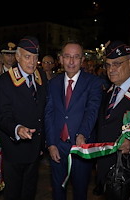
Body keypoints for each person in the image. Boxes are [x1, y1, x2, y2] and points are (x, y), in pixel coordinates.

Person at [45, 40, 103, 200]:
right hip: (58, 145)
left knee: (80, 191)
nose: (71, 61)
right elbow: (49, 114)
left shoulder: (93, 83)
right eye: (67, 56)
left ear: (82, 60)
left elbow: (92, 111)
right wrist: (50, 143)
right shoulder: (52, 84)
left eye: (76, 57)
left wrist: (82, 133)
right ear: (61, 59)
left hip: (80, 146)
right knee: (58, 190)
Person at [0, 36, 47, 200]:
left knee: (29, 192)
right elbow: (2, 115)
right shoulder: (5, 81)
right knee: (13, 193)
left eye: (35, 57)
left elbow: (42, 111)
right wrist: (17, 129)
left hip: (35, 148)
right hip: (15, 148)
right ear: (17, 57)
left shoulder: (41, 76)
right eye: (27, 56)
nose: (32, 62)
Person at [94, 40, 130, 199]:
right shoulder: (111, 90)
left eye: (116, 64)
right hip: (107, 171)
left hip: (128, 174)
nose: (111, 69)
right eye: (108, 65)